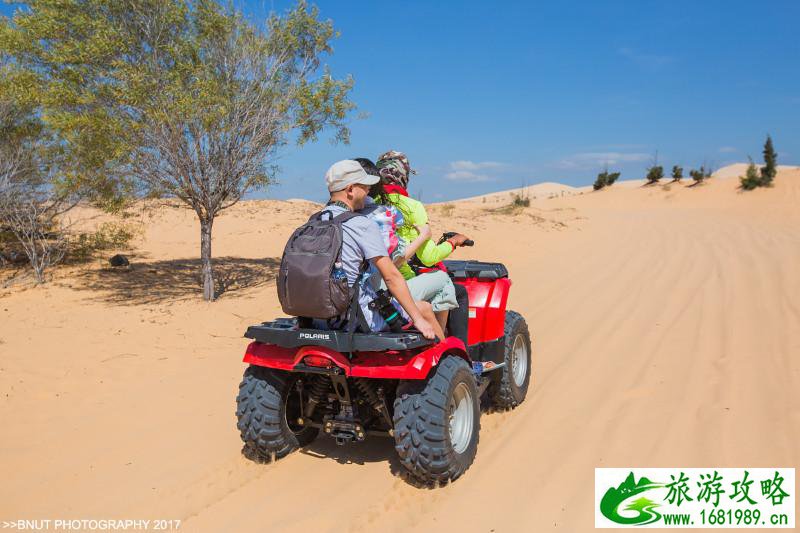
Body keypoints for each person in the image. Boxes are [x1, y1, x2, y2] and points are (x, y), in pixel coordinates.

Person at [320, 159, 441, 340]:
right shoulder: (362, 224)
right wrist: (418, 319)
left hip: (318, 317)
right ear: (351, 189)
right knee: (425, 310)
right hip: (355, 318)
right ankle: (453, 360)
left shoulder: (317, 219)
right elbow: (391, 277)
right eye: (366, 186)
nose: (370, 191)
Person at [375, 150, 472, 346]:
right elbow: (429, 257)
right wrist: (453, 242)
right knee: (452, 287)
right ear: (403, 175)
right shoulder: (412, 206)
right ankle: (455, 351)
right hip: (396, 283)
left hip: (373, 284)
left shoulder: (367, 204)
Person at [352, 157, 458, 335]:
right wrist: (450, 243)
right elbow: (426, 257)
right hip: (379, 292)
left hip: (353, 294)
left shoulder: (344, 214)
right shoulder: (386, 213)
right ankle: (448, 346)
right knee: (443, 279)